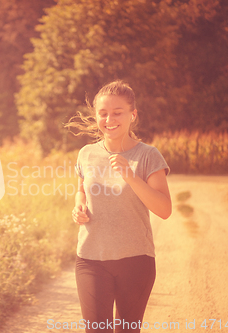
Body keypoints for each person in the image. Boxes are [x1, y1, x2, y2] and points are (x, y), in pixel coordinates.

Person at [65, 80, 172, 332]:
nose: (109, 119)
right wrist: (79, 207)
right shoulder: (86, 154)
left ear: (132, 115)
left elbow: (164, 210)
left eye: (117, 112)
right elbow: (81, 191)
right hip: (91, 259)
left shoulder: (148, 156)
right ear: (96, 117)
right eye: (103, 113)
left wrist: (130, 175)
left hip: (135, 260)